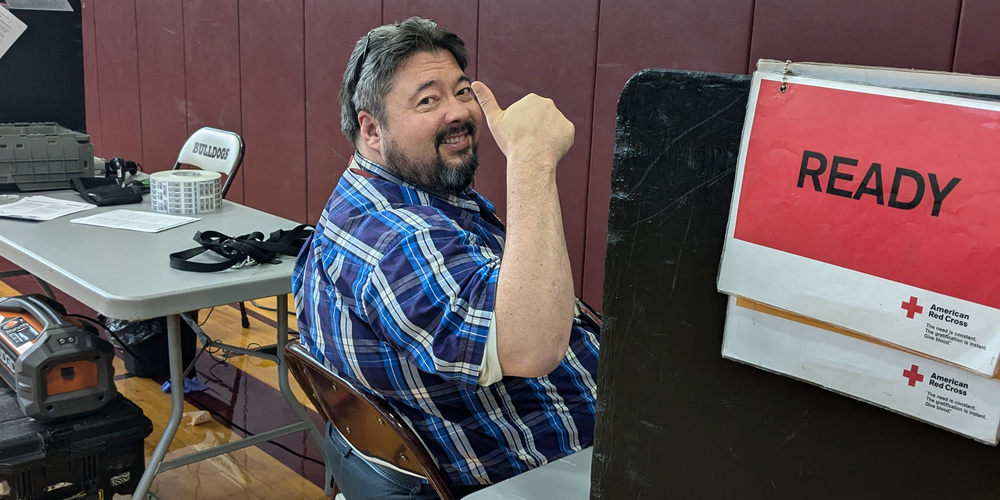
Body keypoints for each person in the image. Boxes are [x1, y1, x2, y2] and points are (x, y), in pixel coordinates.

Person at [292, 17, 599, 499]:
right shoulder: (393, 237)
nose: (458, 112)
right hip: (541, 472)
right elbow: (532, 347)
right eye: (428, 100)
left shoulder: (404, 198)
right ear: (372, 130)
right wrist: (531, 159)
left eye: (461, 91)